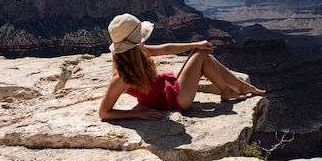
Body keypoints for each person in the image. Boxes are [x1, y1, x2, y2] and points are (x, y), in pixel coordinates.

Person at [99, 13, 265, 121]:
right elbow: (104, 113)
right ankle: (226, 91)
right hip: (173, 99)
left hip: (166, 85)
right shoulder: (121, 78)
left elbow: (165, 49)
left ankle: (242, 86)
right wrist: (136, 113)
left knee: (204, 56)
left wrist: (194, 44)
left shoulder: (137, 52)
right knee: (200, 55)